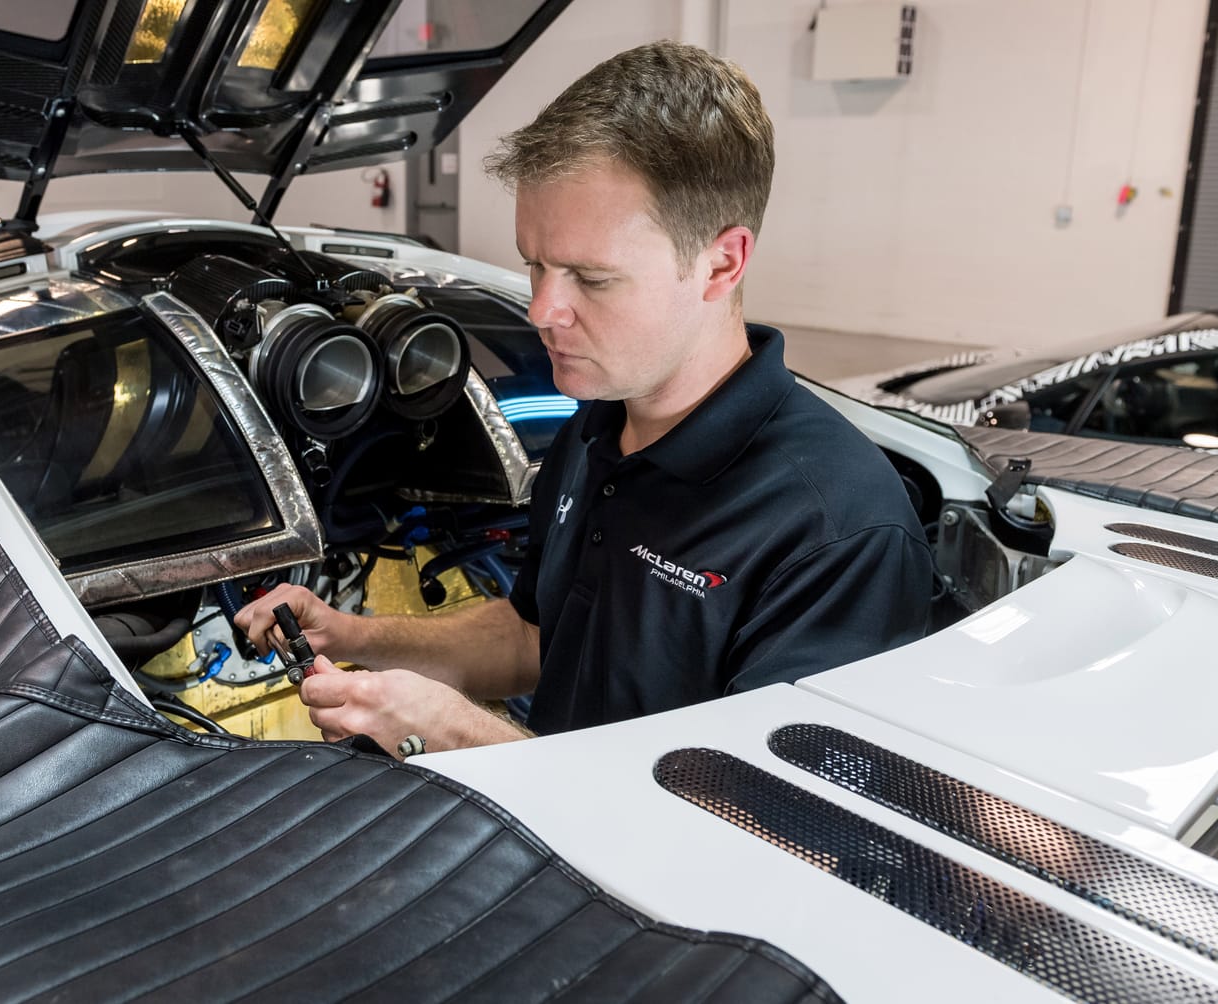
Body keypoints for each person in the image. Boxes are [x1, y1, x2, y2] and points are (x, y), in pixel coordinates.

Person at [236, 40, 934, 758]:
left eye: (591, 278)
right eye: (534, 265)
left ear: (721, 264)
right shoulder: (598, 429)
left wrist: (457, 733)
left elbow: (754, 814)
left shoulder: (837, 532)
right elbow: (535, 638)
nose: (541, 310)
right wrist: (352, 635)